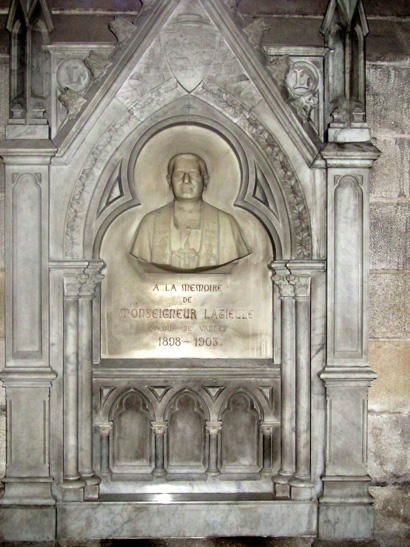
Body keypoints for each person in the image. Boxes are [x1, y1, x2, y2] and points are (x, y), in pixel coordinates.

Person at [131, 153, 251, 271]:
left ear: (205, 180)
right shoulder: (150, 224)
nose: (186, 180)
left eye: (193, 174)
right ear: (169, 181)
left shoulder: (226, 224)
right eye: (179, 175)